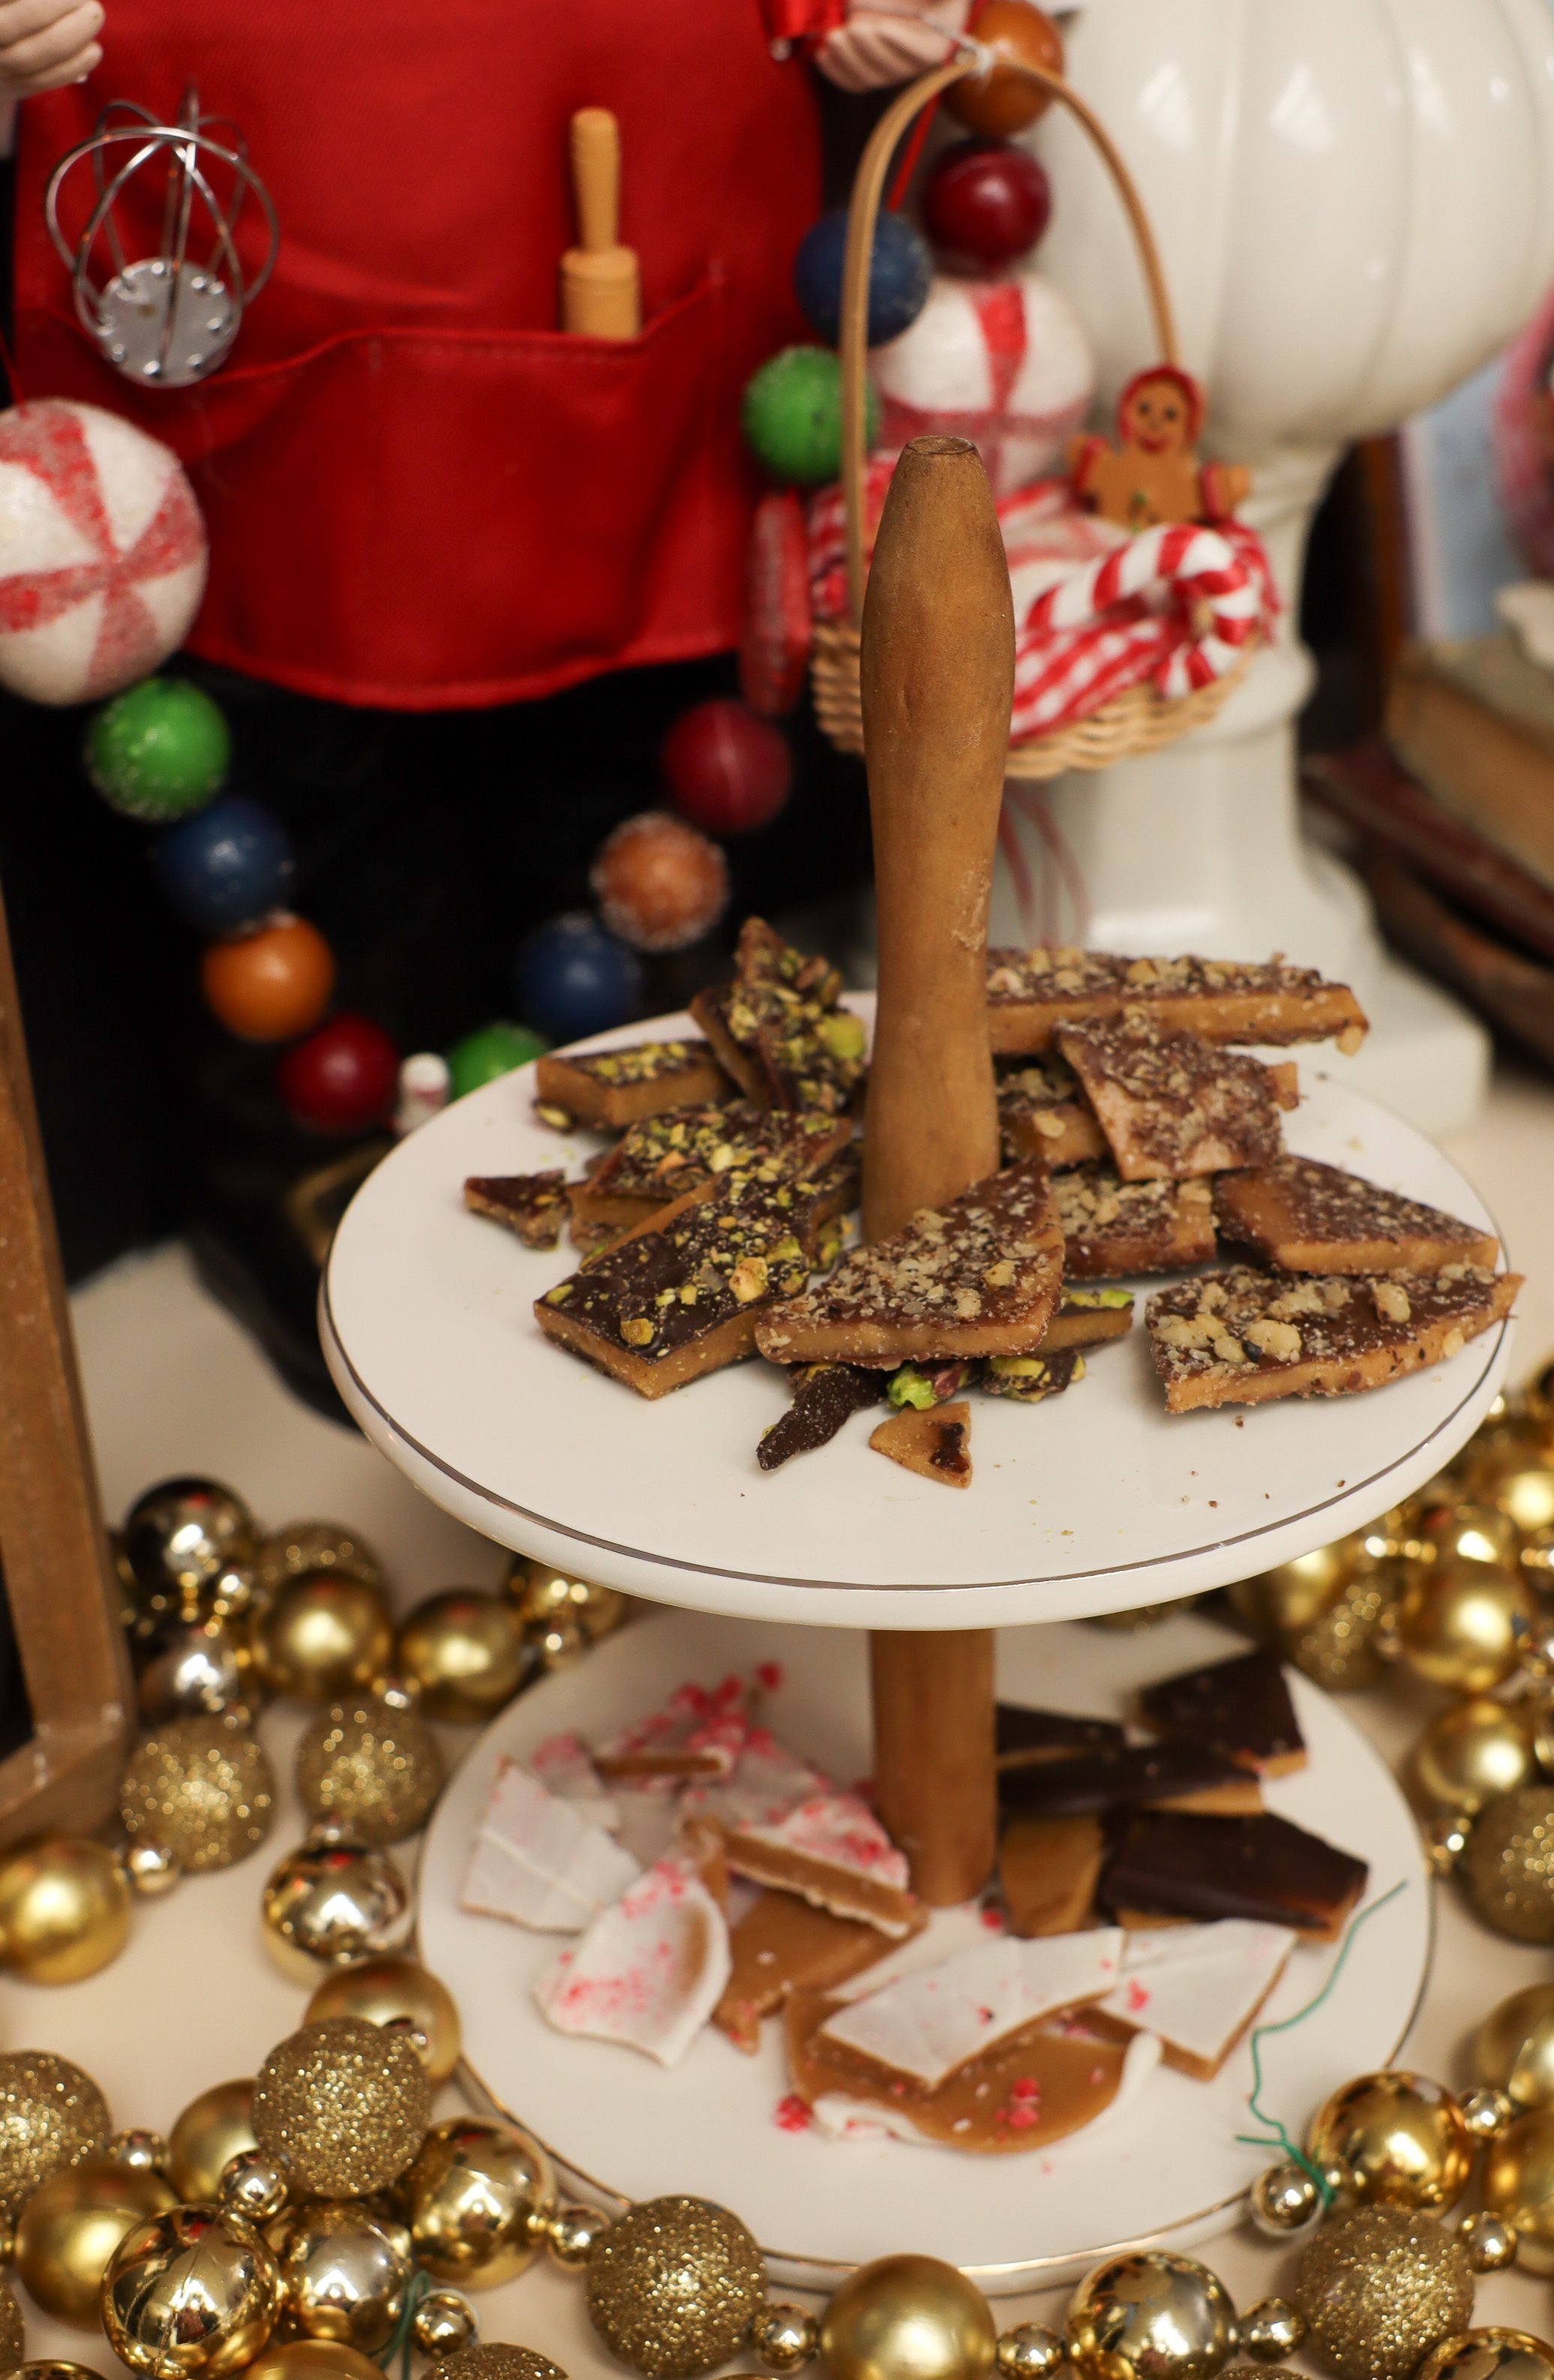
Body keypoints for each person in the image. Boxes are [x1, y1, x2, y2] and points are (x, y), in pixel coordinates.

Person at [0, 0, 968, 1396]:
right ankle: (324, 1217)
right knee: (298, 834)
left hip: (651, 205)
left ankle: (644, 1180)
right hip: (238, 256)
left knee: (625, 821)